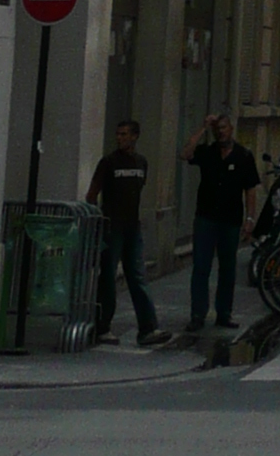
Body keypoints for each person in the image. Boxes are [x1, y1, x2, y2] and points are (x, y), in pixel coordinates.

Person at [86, 119, 164, 345]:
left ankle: (148, 327)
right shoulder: (109, 162)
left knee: (137, 276)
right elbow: (92, 194)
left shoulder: (141, 163)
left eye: (124, 134)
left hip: (131, 225)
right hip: (112, 226)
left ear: (135, 136)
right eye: (118, 134)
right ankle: (103, 327)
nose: (120, 138)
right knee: (108, 276)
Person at [181, 111, 259, 336]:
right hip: (206, 218)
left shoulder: (244, 155)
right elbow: (185, 154)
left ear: (231, 129)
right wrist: (203, 127)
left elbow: (250, 188)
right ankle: (198, 315)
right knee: (201, 267)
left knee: (227, 268)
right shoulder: (207, 152)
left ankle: (224, 313)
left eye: (223, 128)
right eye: (217, 130)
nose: (220, 133)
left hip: (230, 220)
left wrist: (250, 219)